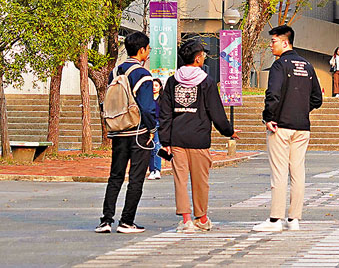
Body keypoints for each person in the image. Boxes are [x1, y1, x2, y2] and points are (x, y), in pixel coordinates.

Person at [159, 39, 238, 233]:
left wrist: (165, 140)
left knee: (180, 180)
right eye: (202, 55)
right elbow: (216, 111)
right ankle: (201, 218)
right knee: (200, 181)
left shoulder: (172, 81)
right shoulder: (206, 82)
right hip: (199, 139)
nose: (203, 58)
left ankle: (186, 220)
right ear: (197, 59)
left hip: (177, 138)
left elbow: (165, 113)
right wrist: (228, 131)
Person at [253, 24, 323, 232]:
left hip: (281, 126)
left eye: (273, 41)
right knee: (298, 172)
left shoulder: (279, 65)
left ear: (285, 42)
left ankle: (275, 219)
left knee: (279, 172)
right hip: (302, 127)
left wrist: (268, 117)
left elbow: (273, 94)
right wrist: (301, 109)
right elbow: (317, 99)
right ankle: (294, 219)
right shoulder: (308, 66)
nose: (271, 45)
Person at [95, 31, 157, 234]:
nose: (148, 52)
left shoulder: (115, 72)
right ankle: (127, 221)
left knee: (116, 176)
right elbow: (147, 107)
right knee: (136, 178)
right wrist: (153, 128)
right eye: (147, 49)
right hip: (138, 131)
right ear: (142, 50)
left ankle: (106, 220)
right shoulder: (143, 74)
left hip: (118, 130)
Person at [148, 78, 163, 180]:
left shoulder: (163, 99)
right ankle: (151, 170)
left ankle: (157, 170)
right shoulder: (147, 98)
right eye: (152, 85)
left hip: (159, 124)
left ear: (160, 87)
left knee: (157, 147)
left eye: (156, 86)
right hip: (149, 124)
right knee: (150, 148)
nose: (154, 88)